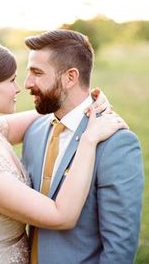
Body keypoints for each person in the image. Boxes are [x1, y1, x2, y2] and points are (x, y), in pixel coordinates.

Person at [0, 35, 125, 264]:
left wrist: (90, 103)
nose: (19, 87)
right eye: (11, 80)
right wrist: (89, 139)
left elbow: (58, 110)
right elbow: (61, 216)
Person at [21, 29, 144, 264]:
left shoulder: (117, 143)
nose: (28, 83)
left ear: (70, 77)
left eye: (37, 73)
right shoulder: (35, 132)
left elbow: (119, 247)